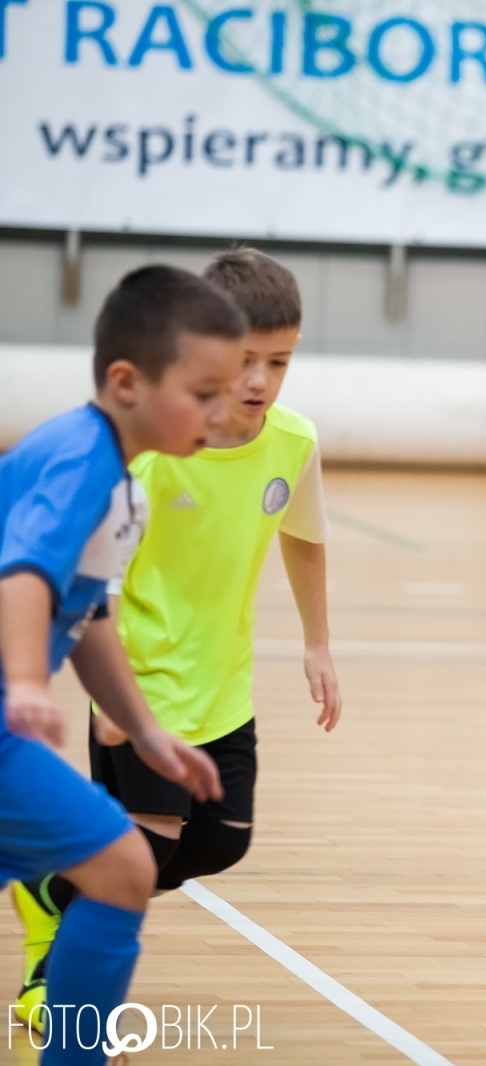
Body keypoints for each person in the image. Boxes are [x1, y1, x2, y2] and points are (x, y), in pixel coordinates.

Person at [12, 250, 342, 1028]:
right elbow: (47, 578)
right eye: (224, 378)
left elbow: (91, 612)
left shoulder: (270, 447)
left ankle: (60, 952)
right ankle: (61, 1001)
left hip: (209, 690)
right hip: (90, 696)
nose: (249, 389)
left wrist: (315, 644)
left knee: (185, 851)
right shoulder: (120, 460)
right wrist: (55, 689)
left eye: (275, 365)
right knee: (131, 861)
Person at [1, 265, 237, 1063]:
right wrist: (29, 683)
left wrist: (144, 732)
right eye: (202, 391)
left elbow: (88, 612)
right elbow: (26, 575)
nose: (221, 408)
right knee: (123, 867)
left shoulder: (122, 479)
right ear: (127, 381)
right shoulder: (83, 462)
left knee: (119, 868)